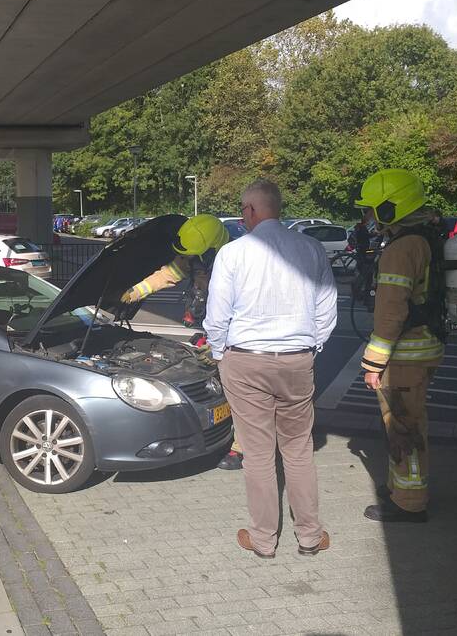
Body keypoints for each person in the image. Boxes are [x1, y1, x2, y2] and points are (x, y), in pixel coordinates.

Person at [203, 180, 337, 558]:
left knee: (258, 454)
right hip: (297, 358)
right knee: (298, 450)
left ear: (249, 211)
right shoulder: (310, 249)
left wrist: (220, 354)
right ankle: (310, 536)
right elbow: (326, 310)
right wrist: (310, 348)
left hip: (246, 360)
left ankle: (263, 540)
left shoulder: (232, 254)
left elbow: (217, 317)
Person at [118, 214, 245, 469]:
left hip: (238, 330)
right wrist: (135, 291)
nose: (192, 261)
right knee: (219, 383)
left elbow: (244, 308)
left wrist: (221, 344)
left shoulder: (242, 259)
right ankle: (219, 429)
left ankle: (241, 447)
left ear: (213, 247)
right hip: (214, 323)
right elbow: (169, 273)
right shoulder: (196, 253)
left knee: (241, 389)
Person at [354, 169, 444, 523]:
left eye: (373, 209)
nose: (369, 217)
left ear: (391, 209)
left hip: (405, 355)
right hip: (424, 347)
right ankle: (400, 487)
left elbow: (391, 311)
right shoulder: (425, 238)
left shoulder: (402, 247)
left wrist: (373, 364)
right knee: (407, 421)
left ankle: (409, 502)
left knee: (403, 426)